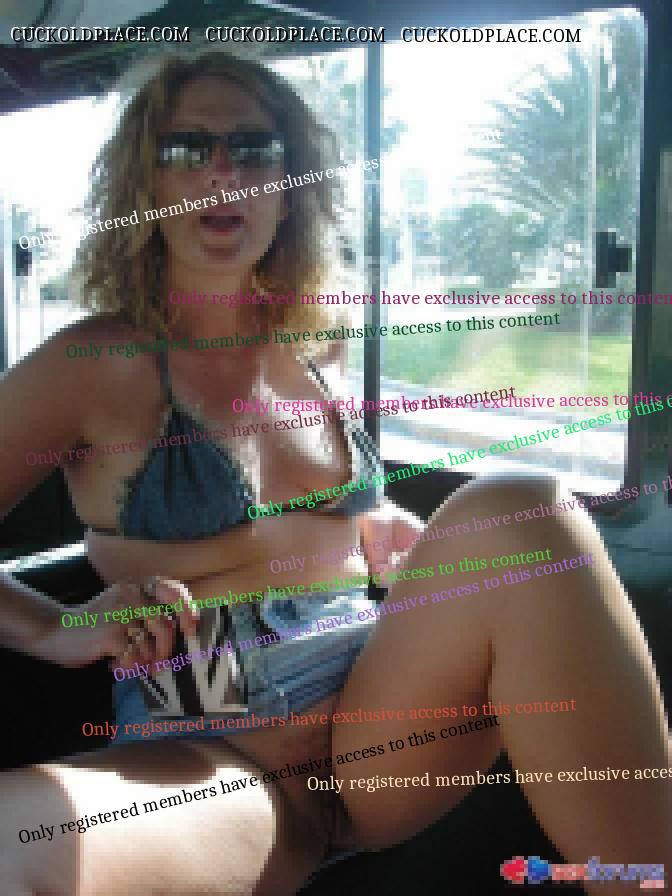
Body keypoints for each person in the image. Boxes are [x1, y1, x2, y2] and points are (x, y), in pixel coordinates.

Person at [0, 50, 669, 896]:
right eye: (186, 148)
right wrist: (52, 629)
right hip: (220, 747)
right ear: (146, 184)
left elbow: (311, 523)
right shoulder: (92, 363)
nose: (222, 170)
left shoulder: (315, 350)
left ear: (290, 188)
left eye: (254, 147)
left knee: (527, 506)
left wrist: (380, 529)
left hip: (379, 716)